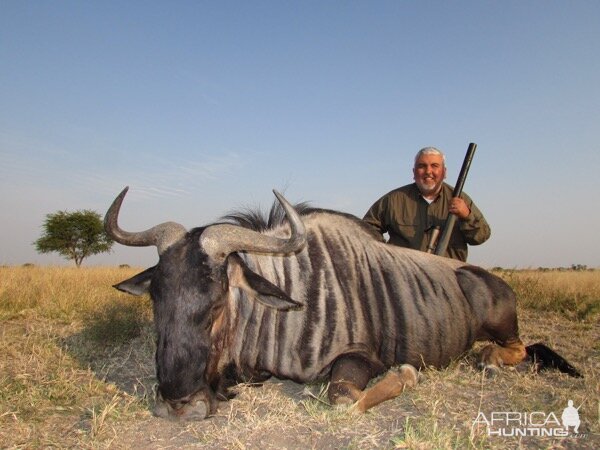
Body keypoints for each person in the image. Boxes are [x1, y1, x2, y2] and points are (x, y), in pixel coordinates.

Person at [363, 147, 490, 261]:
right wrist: (386, 256)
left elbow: (481, 237)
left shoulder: (460, 198)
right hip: (407, 277)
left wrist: (467, 215)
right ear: (414, 172)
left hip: (449, 277)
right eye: (422, 166)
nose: (428, 171)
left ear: (444, 172)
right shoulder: (392, 200)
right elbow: (364, 229)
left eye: (435, 166)